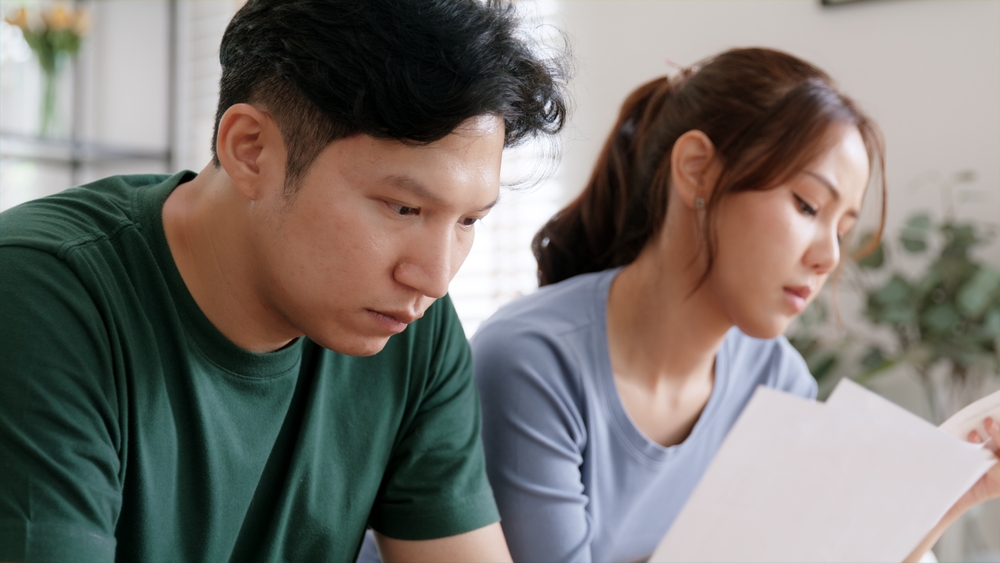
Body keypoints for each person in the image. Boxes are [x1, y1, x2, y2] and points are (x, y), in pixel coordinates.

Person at [0, 0, 566, 561]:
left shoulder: (409, 326)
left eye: (468, 221)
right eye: (403, 208)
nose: (435, 279)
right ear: (251, 150)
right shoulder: (43, 297)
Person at [470, 47, 1000, 562]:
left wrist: (948, 498)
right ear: (697, 168)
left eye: (842, 231)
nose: (829, 258)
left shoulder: (778, 381)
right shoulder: (532, 363)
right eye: (807, 205)